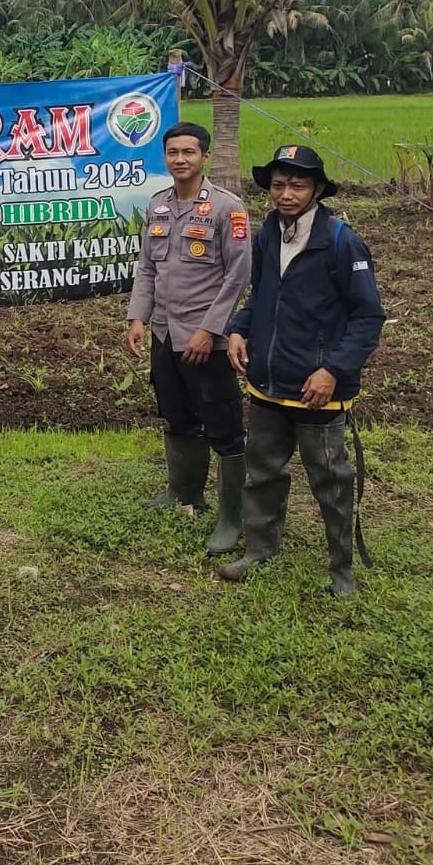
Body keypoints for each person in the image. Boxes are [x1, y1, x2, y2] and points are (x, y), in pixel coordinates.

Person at [219, 146, 384, 597]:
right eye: (278, 185)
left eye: (297, 185)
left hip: (318, 389)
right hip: (268, 383)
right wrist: (239, 330)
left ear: (317, 189)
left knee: (331, 480)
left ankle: (341, 569)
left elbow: (368, 316)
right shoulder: (268, 234)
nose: (285, 194)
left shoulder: (341, 241)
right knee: (262, 472)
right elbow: (261, 296)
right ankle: (259, 549)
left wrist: (333, 369)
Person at [126, 122, 252, 554]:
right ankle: (184, 495)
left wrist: (210, 329)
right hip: (164, 333)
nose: (180, 159)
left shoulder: (226, 208)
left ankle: (232, 519)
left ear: (205, 157)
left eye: (189, 152)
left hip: (205, 340)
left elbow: (238, 275)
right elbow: (147, 268)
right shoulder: (158, 205)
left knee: (224, 428)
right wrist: (138, 317)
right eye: (173, 152)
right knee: (177, 416)